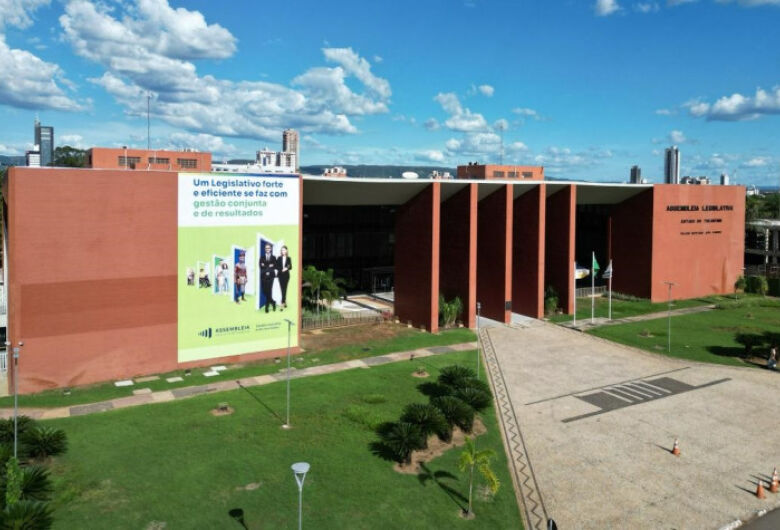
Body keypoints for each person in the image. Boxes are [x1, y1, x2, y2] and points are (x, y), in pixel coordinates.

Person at [259, 243, 277, 312]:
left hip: (271, 277)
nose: (267, 249)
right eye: (266, 248)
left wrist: (265, 266)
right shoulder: (262, 257)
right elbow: (260, 266)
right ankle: (273, 302)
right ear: (265, 249)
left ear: (271, 249)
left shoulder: (274, 257)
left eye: (269, 248)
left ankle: (267, 307)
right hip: (263, 276)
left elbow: (274, 266)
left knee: (269, 290)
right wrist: (269, 266)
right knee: (264, 291)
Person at [276, 245, 292, 310]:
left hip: (286, 276)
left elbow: (290, 266)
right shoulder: (279, 258)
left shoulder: (289, 258)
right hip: (280, 275)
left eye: (284, 250)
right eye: (282, 250)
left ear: (286, 251)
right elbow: (276, 266)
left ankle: (282, 302)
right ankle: (284, 302)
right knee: (282, 289)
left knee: (285, 289)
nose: (283, 251)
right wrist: (281, 269)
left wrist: (286, 268)